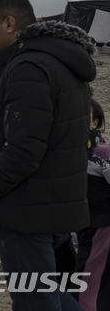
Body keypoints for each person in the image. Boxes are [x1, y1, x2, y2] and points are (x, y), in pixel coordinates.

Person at [0, 0, 95, 311]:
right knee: (49, 294)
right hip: (53, 201)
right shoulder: (58, 60)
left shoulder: (29, 67)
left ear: (9, 23)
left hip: (26, 208)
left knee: (36, 300)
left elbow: (23, 148)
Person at [77, 99, 109, 311]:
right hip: (83, 224)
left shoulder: (101, 151)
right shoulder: (71, 151)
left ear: (95, 123)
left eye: (84, 117)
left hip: (102, 225)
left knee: (92, 278)